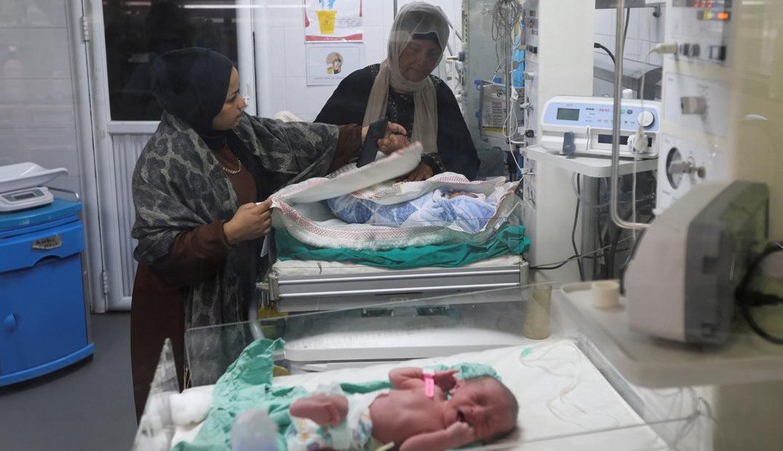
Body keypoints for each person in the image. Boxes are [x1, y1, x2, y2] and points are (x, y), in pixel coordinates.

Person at [130, 47, 408, 420]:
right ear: (200, 101)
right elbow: (160, 250)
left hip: (236, 276)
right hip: (182, 308)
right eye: (231, 98)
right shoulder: (161, 163)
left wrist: (365, 136)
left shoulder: (234, 132)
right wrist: (227, 233)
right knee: (191, 411)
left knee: (239, 395)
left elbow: (292, 140)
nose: (243, 103)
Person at [315, 2, 480, 182]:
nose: (422, 61)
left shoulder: (440, 94)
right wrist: (372, 141)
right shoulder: (360, 85)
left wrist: (430, 164)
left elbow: (468, 161)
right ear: (397, 45)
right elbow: (319, 147)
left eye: (432, 54)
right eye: (414, 49)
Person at [286, 367, 518, 451]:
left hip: (361, 437)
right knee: (342, 403)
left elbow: (409, 448)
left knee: (339, 430)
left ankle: (326, 417)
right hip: (359, 405)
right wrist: (430, 376)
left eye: (485, 423)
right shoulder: (431, 390)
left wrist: (448, 440)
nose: (476, 413)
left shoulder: (439, 433)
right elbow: (396, 376)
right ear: (458, 387)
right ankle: (310, 408)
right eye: (478, 399)